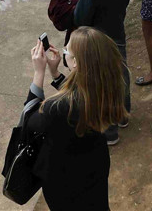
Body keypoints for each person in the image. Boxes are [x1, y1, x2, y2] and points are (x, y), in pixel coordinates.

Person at [21, 27, 128, 211]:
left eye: (66, 51)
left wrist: (39, 73)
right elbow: (79, 96)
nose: (63, 53)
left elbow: (28, 119)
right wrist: (55, 74)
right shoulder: (106, 87)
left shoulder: (57, 108)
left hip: (66, 179)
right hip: (94, 165)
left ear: (76, 62)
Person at [74, 0, 135, 145]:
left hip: (99, 37)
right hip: (118, 30)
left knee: (102, 82)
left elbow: (80, 18)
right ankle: (123, 115)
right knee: (122, 73)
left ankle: (110, 132)